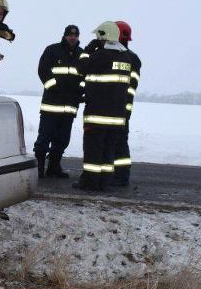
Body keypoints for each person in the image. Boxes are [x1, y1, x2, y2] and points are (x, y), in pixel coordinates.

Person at [74, 21, 132, 191]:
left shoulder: (100, 56)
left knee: (94, 150)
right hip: (117, 117)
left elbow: (81, 67)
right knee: (108, 151)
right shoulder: (126, 58)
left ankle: (90, 182)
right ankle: (104, 182)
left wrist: (87, 50)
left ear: (103, 37)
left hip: (97, 115)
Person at [33, 24, 83, 178]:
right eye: (70, 35)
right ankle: (39, 168)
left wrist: (79, 91)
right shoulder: (52, 50)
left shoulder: (82, 54)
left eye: (75, 35)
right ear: (65, 35)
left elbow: (84, 77)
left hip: (69, 107)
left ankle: (54, 167)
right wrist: (53, 87)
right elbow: (43, 70)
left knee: (62, 140)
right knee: (44, 139)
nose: (73, 37)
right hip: (51, 106)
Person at [112, 20, 141, 187]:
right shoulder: (133, 58)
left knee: (118, 142)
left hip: (117, 107)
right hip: (124, 107)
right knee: (120, 141)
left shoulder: (123, 58)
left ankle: (121, 176)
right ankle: (120, 175)